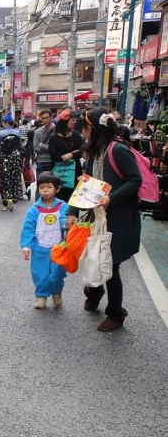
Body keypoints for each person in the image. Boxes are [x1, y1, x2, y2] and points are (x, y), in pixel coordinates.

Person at [73, 107, 142, 332]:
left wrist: (111, 198)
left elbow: (135, 180)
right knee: (93, 255)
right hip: (97, 216)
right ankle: (95, 291)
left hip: (119, 218)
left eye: (84, 128)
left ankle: (115, 313)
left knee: (111, 264)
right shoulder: (95, 151)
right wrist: (71, 213)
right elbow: (86, 185)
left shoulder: (119, 150)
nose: (82, 133)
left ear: (93, 129)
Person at [20, 172, 69, 310]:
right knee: (40, 274)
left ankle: (56, 293)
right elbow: (28, 228)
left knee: (56, 274)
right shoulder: (34, 209)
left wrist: (68, 224)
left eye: (49, 187)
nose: (45, 190)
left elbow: (64, 221)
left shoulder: (63, 207)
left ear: (57, 189)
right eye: (42, 187)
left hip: (58, 248)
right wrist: (26, 246)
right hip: (39, 248)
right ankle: (41, 296)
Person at [49, 112, 85, 204]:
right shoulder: (54, 137)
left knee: (73, 199)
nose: (74, 123)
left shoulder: (76, 136)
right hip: (59, 172)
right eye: (72, 120)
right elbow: (53, 155)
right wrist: (63, 158)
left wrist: (71, 155)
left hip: (75, 172)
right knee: (59, 198)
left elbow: (82, 150)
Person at [0, 131, 24, 211]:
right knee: (12, 186)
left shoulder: (2, 152)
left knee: (4, 187)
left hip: (4, 173)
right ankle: (11, 199)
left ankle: (5, 205)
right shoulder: (16, 153)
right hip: (14, 173)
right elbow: (20, 163)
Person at [33, 109, 56, 187]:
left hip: (52, 162)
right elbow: (35, 148)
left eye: (47, 118)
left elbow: (55, 149)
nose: (45, 120)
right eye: (43, 118)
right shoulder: (38, 132)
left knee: (52, 185)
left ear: (51, 117)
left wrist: (42, 146)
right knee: (40, 185)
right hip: (41, 162)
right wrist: (49, 149)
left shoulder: (56, 130)